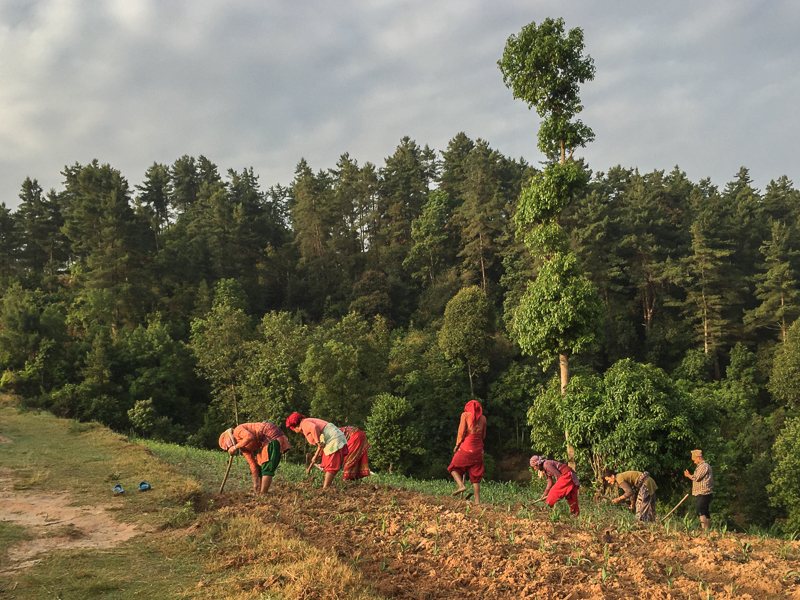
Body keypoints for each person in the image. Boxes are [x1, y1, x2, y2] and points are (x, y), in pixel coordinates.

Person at [218, 422, 290, 494]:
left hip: (271, 435)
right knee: (260, 466)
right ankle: (260, 492)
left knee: (266, 466)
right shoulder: (243, 447)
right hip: (265, 442)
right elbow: (252, 464)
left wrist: (235, 447)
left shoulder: (237, 430)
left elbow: (249, 437)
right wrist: (256, 483)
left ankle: (263, 495)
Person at [286, 413, 348, 489]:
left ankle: (325, 488)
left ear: (295, 427)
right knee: (327, 463)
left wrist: (318, 441)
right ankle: (327, 486)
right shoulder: (307, 422)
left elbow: (314, 428)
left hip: (333, 438)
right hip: (334, 437)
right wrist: (317, 455)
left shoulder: (304, 423)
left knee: (330, 465)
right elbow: (321, 442)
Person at [447, 400, 486, 503]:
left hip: (467, 447)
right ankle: (477, 502)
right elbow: (483, 436)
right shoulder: (483, 418)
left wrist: (457, 445)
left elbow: (461, 431)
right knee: (476, 476)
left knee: (453, 467)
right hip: (478, 450)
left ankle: (461, 485)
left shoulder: (465, 415)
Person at [684, 449, 714, 530]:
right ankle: (707, 529)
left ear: (698, 458)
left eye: (694, 460)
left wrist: (688, 475)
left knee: (700, 510)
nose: (694, 462)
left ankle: (704, 528)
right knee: (705, 511)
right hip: (704, 492)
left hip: (703, 492)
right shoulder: (703, 466)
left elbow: (696, 478)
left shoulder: (703, 466)